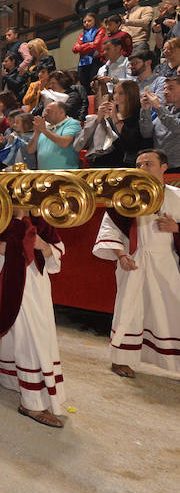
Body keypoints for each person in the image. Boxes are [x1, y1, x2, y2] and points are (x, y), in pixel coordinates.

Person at [93, 149, 180, 377]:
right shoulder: (125, 196)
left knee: (172, 310)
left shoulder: (177, 196)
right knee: (130, 309)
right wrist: (121, 255)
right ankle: (121, 359)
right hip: (134, 261)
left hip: (167, 263)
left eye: (148, 164)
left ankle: (172, 362)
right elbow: (110, 229)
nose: (142, 169)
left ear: (164, 167)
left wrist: (176, 228)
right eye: (139, 164)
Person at [0, 211, 67, 428]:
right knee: (27, 336)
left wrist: (40, 245)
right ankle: (32, 402)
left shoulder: (42, 220)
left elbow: (56, 251)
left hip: (36, 284)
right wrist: (20, 236)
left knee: (36, 334)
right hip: (8, 279)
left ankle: (14, 380)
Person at [76, 80, 146, 167]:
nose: (116, 96)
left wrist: (115, 119)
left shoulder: (137, 116)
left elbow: (131, 143)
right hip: (102, 162)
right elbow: (85, 142)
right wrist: (98, 119)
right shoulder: (108, 117)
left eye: (121, 93)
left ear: (131, 95)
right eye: (114, 92)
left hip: (125, 163)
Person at [140, 76, 180, 172]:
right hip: (160, 168)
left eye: (170, 88)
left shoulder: (161, 110)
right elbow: (147, 133)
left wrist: (158, 107)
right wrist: (145, 110)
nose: (165, 92)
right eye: (165, 88)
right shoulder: (165, 111)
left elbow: (176, 127)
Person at [28, 101, 82, 169]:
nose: (45, 114)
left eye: (48, 111)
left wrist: (44, 130)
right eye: (45, 111)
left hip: (65, 173)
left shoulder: (71, 123)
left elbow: (65, 142)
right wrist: (37, 133)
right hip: (44, 174)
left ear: (61, 112)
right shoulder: (44, 127)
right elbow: (30, 150)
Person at [73, 12, 106, 92]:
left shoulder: (100, 30)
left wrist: (81, 47)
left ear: (95, 21)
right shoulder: (82, 35)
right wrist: (89, 45)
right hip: (83, 62)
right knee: (84, 85)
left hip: (96, 60)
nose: (87, 23)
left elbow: (96, 45)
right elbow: (74, 49)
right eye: (85, 22)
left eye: (89, 21)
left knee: (94, 84)